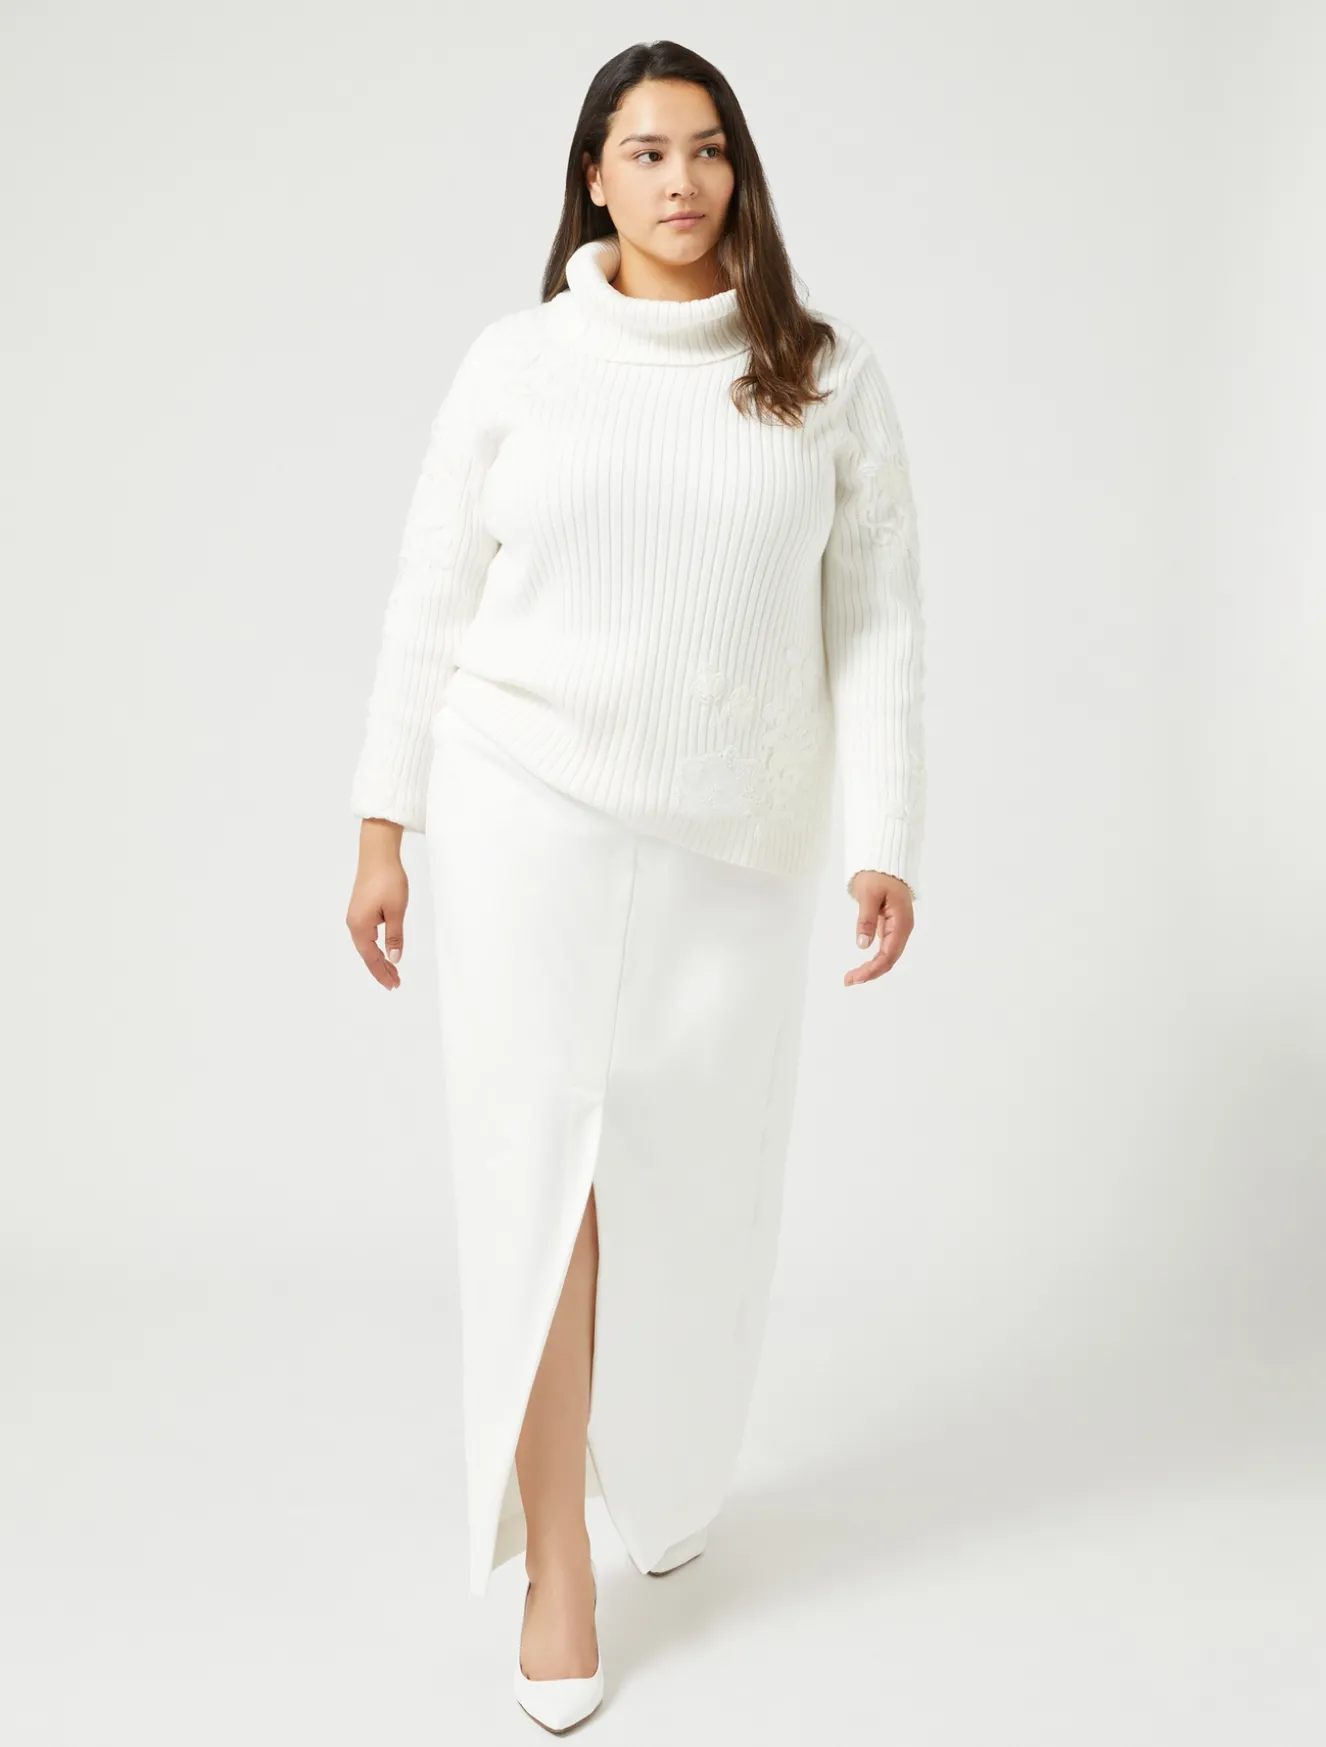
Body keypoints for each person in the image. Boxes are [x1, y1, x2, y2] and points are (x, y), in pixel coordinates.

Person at [345, 38, 926, 1733]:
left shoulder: (818, 373)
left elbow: (875, 614)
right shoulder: (518, 362)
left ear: (739, 173)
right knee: (543, 1168)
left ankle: (659, 1472)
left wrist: (883, 830)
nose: (681, 179)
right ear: (591, 179)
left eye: (708, 148)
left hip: (731, 833)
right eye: (645, 149)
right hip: (520, 796)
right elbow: (430, 588)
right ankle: (557, 1563)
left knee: (692, 1182)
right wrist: (384, 818)